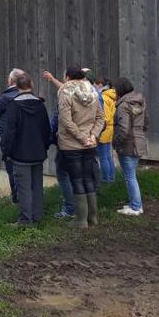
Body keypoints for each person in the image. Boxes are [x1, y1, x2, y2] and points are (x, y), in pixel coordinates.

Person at [0, 74, 52, 226]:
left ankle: (25, 219)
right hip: (38, 152)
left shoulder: (13, 105)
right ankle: (37, 216)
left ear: (16, 86)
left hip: (20, 153)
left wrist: (6, 152)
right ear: (32, 85)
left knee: (23, 188)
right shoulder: (40, 105)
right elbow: (46, 129)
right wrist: (45, 147)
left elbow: (9, 132)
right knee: (37, 185)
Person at [57, 67, 105, 228]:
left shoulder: (65, 92)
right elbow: (101, 117)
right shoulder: (92, 90)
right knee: (88, 178)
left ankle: (81, 219)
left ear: (68, 77)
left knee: (76, 179)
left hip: (71, 144)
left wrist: (81, 137)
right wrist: (93, 136)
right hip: (90, 143)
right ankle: (93, 217)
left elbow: (66, 120)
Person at [0, 68, 25, 204]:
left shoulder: (7, 97)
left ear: (10, 81)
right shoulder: (28, 95)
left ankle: (17, 200)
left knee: (12, 170)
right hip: (26, 138)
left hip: (9, 139)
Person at [112, 78, 148, 216]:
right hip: (139, 142)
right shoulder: (140, 101)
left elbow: (123, 129)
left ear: (120, 89)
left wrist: (116, 142)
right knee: (132, 175)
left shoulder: (123, 105)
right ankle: (135, 203)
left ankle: (135, 207)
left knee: (130, 176)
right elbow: (146, 121)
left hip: (127, 145)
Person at [43, 70, 75, 219]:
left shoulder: (66, 96)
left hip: (67, 143)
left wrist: (49, 138)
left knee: (63, 174)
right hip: (84, 144)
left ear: (68, 78)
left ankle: (70, 209)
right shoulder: (89, 93)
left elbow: (59, 120)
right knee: (79, 176)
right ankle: (84, 208)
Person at [95, 77, 117, 183]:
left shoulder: (104, 97)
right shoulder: (112, 95)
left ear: (100, 85)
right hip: (110, 129)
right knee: (108, 156)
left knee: (103, 157)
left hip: (104, 129)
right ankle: (111, 178)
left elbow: (106, 117)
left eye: (95, 84)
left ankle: (106, 180)